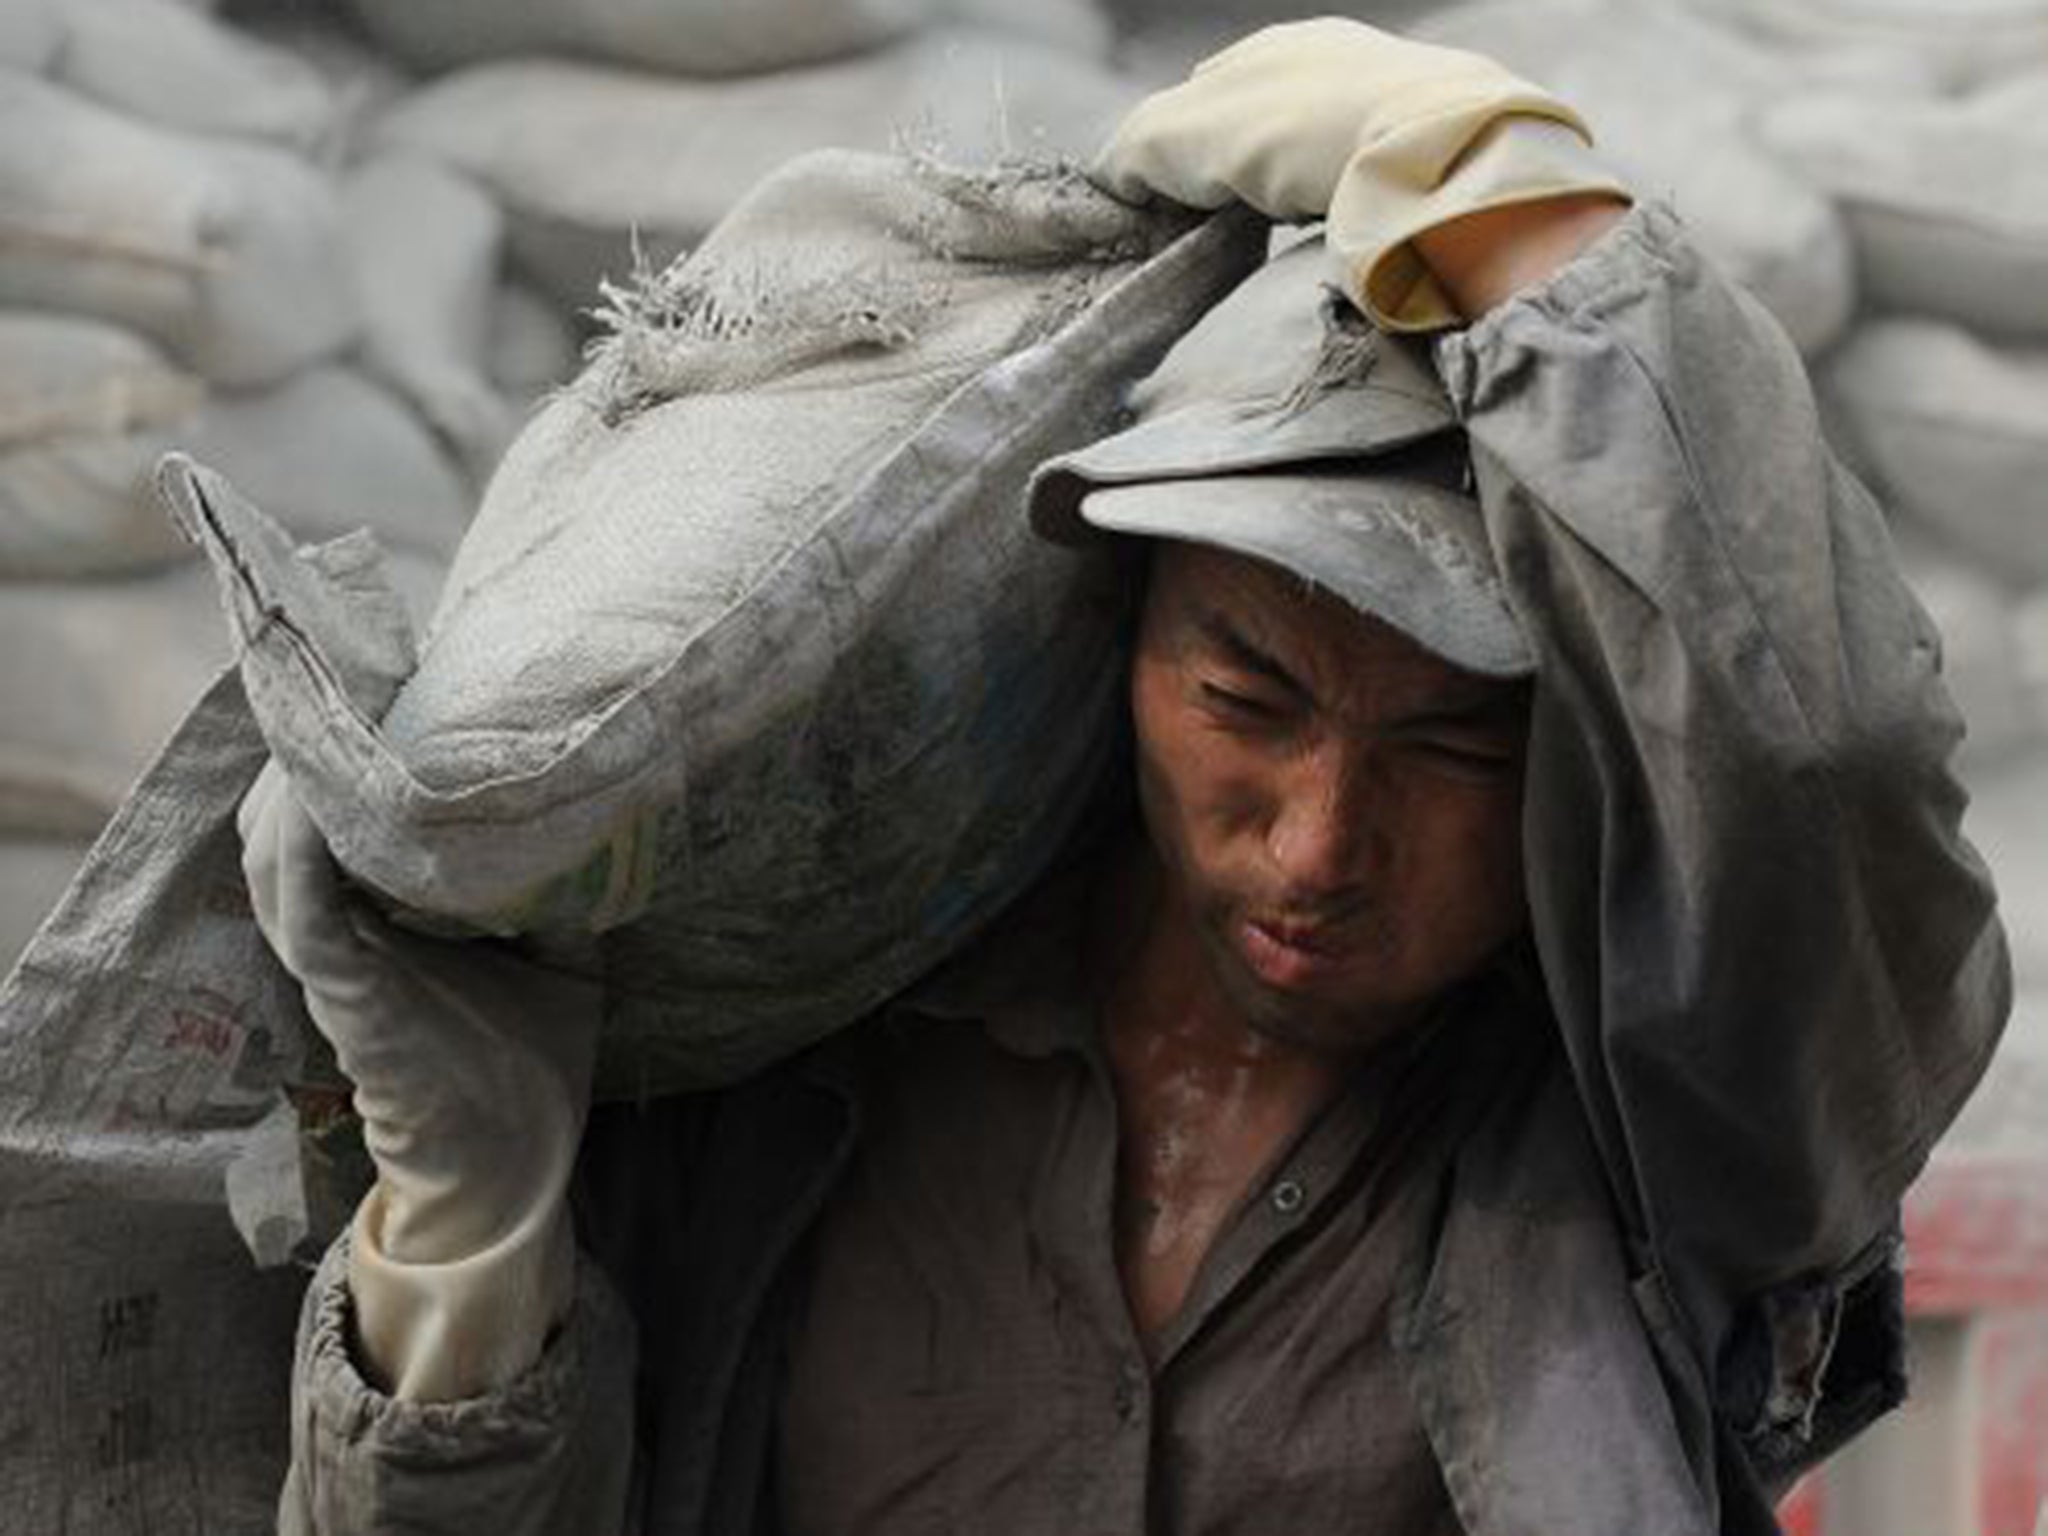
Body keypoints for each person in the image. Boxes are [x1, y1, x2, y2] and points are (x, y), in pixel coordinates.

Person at [239, 20, 2012, 1536]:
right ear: (1117, 651)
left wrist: (1512, 213)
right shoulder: (807, 1057)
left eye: (1451, 747)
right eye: (1247, 702)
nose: (1321, 845)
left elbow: (1812, 748)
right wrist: (464, 1242)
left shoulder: (1658, 1116)